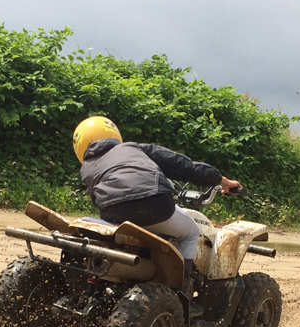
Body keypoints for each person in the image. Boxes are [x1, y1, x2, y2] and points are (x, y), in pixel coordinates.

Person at [72, 115, 240, 300]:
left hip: (113, 211)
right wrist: (222, 180)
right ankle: (180, 295)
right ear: (113, 135)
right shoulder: (133, 148)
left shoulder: (86, 167)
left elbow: (97, 197)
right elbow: (181, 165)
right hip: (154, 203)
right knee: (191, 232)